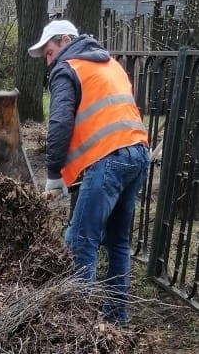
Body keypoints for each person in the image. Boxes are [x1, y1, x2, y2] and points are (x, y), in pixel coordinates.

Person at [28, 20, 150, 325]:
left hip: (109, 158)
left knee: (82, 241)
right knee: (118, 241)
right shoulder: (109, 64)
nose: (49, 59)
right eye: (46, 56)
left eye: (50, 51)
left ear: (66, 40)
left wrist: (54, 174)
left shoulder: (67, 67)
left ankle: (79, 329)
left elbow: (59, 124)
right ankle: (115, 320)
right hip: (137, 154)